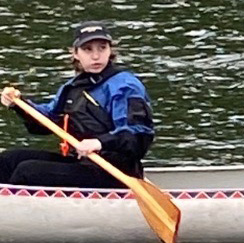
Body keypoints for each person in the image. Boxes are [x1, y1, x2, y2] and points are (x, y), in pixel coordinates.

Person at [0, 21, 154, 188]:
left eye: (102, 48)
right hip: (82, 163)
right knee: (8, 160)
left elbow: (139, 137)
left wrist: (100, 143)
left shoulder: (125, 86)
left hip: (116, 172)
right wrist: (19, 104)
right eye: (88, 49)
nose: (96, 56)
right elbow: (47, 122)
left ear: (110, 51)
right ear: (75, 53)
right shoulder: (73, 87)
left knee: (27, 171)